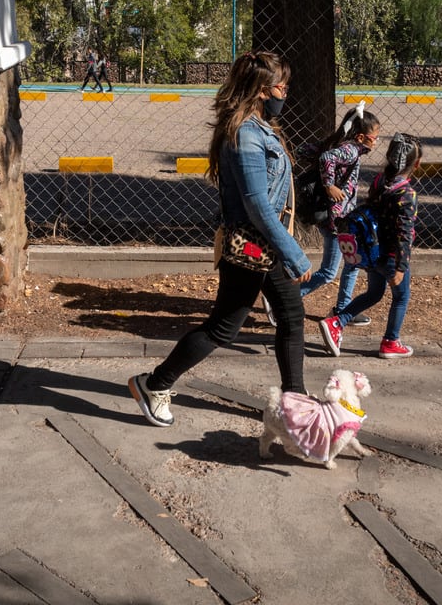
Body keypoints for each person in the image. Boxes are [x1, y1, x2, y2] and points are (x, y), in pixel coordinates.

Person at [129, 51, 312, 427]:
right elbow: (258, 205)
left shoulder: (259, 126)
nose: (286, 93)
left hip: (266, 246)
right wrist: (295, 253)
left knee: (292, 316)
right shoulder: (246, 133)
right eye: (282, 86)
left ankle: (295, 402)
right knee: (223, 328)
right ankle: (154, 384)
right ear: (263, 90)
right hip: (252, 247)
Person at [318, 133, 421, 360]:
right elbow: (405, 234)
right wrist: (401, 267)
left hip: (372, 251)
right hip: (392, 256)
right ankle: (391, 342)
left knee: (374, 293)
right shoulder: (407, 194)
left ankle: (337, 322)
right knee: (401, 297)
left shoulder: (379, 181)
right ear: (417, 164)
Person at [297, 103, 381, 327]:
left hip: (340, 219)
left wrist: (329, 144)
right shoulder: (351, 149)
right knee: (328, 272)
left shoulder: (343, 145)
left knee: (352, 265)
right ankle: (286, 299)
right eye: (375, 137)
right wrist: (329, 185)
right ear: (362, 136)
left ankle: (344, 309)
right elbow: (327, 159)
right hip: (337, 220)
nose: (377, 141)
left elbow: (304, 151)